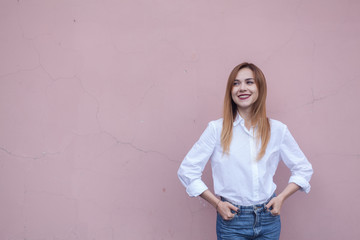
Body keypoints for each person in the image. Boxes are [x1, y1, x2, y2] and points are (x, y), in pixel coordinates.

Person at [177, 62, 313, 240]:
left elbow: (303, 168)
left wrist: (281, 198)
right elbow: (187, 170)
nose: (242, 88)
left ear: (260, 88)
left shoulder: (277, 130)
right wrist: (217, 204)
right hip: (232, 222)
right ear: (230, 90)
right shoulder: (216, 130)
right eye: (235, 83)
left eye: (249, 82)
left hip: (268, 220)